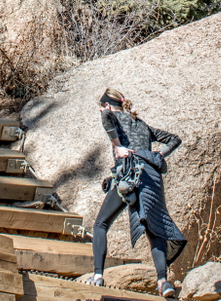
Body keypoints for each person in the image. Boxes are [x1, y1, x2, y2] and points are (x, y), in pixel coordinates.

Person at [85, 88, 187, 297]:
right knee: (154, 229)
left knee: (101, 224)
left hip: (130, 175)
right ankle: (163, 282)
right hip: (151, 177)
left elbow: (105, 116)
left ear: (107, 104)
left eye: (103, 107)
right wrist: (158, 153)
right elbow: (175, 139)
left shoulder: (110, 114)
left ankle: (97, 276)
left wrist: (117, 146)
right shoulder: (142, 124)